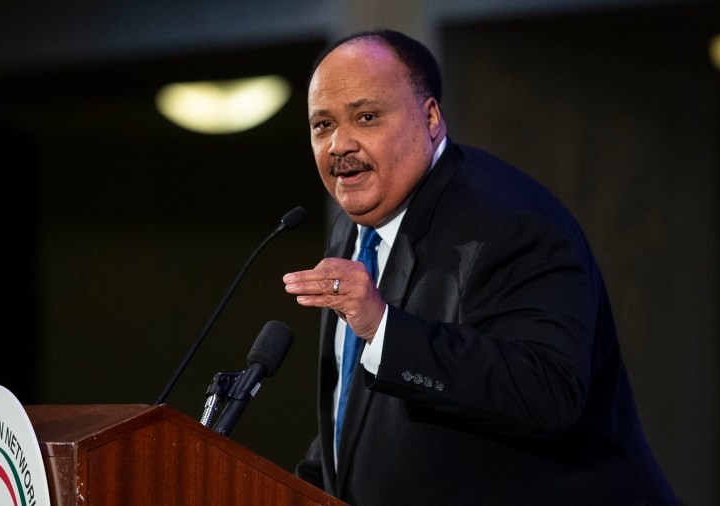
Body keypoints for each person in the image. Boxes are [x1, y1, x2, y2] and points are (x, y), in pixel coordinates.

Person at [282, 28, 676, 505]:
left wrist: (383, 328)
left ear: (430, 118)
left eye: (366, 117)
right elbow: (361, 410)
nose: (339, 144)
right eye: (322, 125)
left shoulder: (511, 223)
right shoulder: (355, 229)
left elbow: (548, 393)